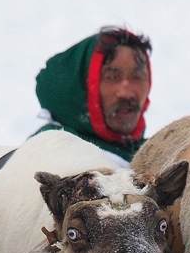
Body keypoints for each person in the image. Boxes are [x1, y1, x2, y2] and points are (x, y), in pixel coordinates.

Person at [33, 26, 152, 166]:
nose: (126, 93)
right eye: (112, 77)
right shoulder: (52, 159)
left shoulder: (154, 156)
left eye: (137, 76)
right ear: (80, 87)